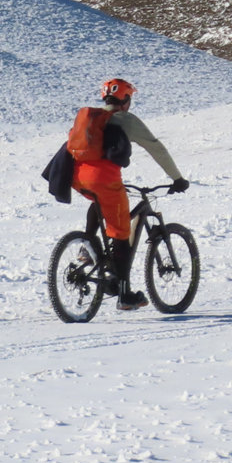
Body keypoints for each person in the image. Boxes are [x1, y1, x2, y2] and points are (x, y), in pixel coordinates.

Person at [69, 77, 189, 311]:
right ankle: (124, 295)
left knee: (98, 201)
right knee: (122, 231)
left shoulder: (91, 117)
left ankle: (88, 246)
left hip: (78, 177)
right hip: (104, 178)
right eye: (129, 98)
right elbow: (156, 148)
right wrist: (177, 178)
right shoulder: (126, 119)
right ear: (124, 99)